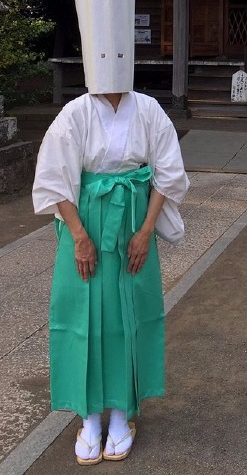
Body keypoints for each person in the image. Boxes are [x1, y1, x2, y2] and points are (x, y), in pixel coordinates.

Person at [33, 90, 189, 465]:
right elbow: (55, 176)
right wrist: (79, 236)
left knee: (129, 315)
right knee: (80, 313)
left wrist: (147, 230)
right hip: (84, 220)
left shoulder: (148, 109)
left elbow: (167, 169)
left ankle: (121, 414)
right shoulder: (75, 112)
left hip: (135, 216)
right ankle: (88, 417)